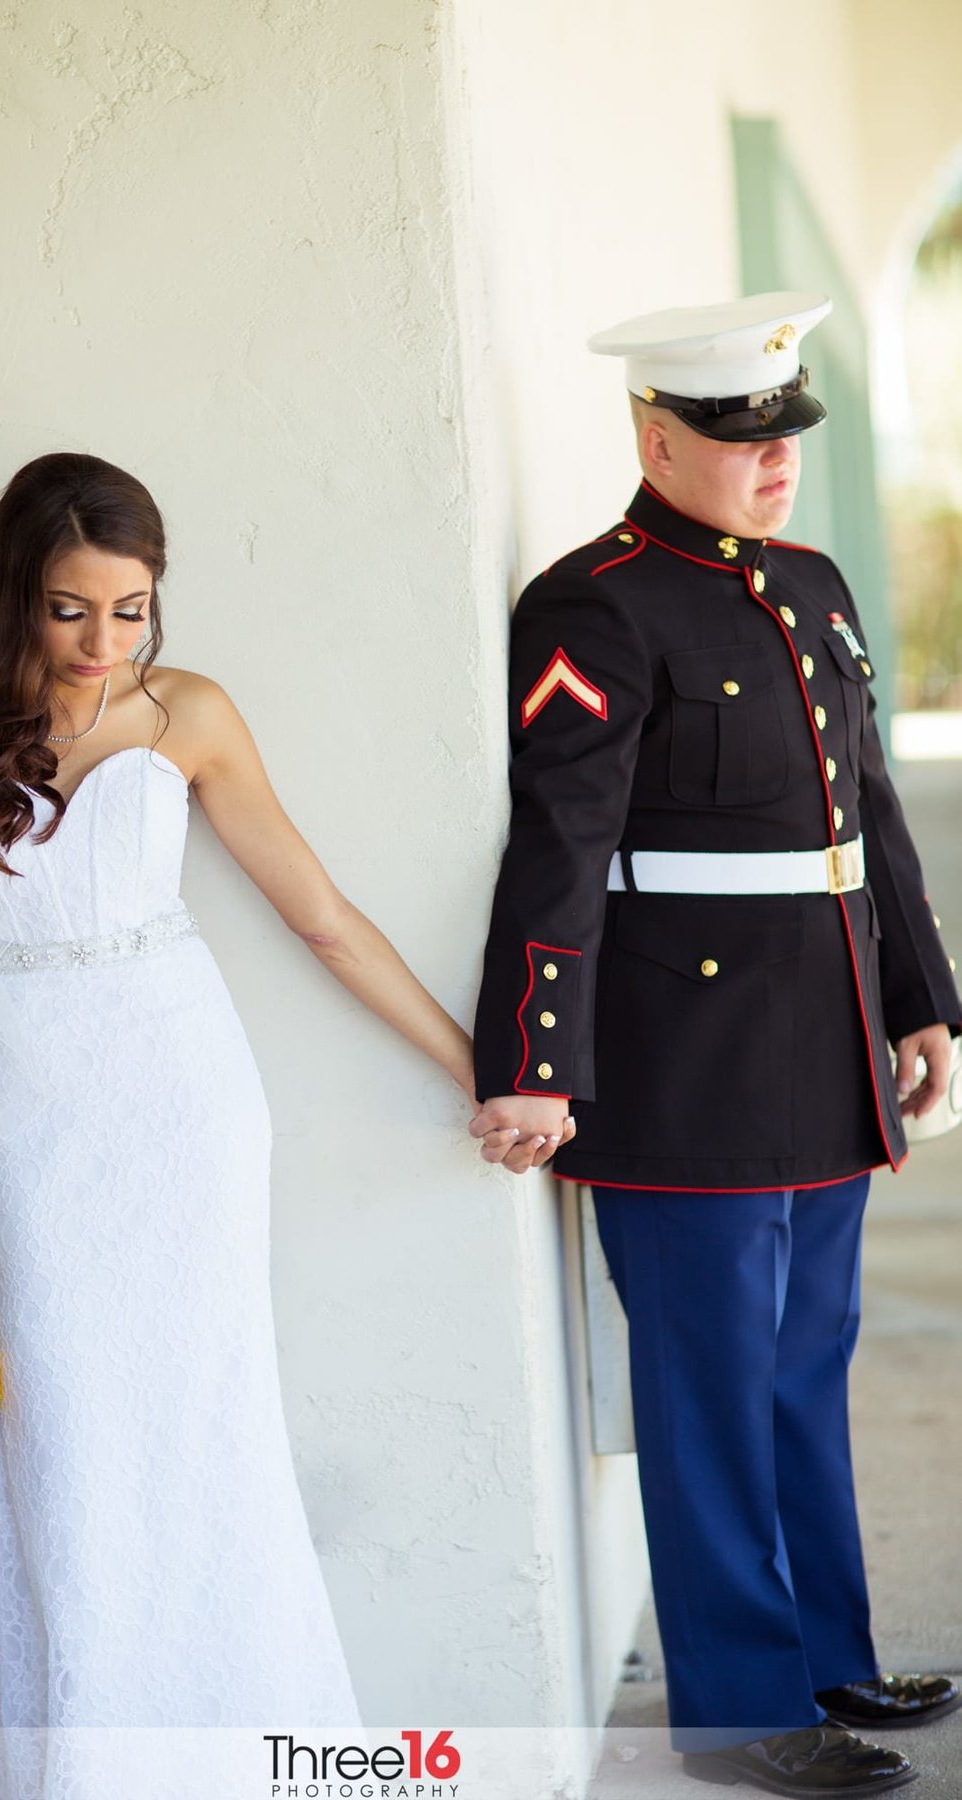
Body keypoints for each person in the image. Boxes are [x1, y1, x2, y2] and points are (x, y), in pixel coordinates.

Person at [0, 452, 475, 1800]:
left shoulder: (191, 714)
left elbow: (324, 917)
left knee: (208, 1421)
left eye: (131, 610)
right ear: (14, 593)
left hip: (184, 1105)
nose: (104, 645)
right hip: (31, 1126)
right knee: (66, 1444)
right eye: (71, 610)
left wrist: (473, 1066)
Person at [468, 294, 962, 1796]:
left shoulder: (811, 587)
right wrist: (534, 1057)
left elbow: (866, 816)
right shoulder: (594, 607)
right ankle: (740, 1714)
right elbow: (561, 842)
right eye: (741, 442)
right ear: (655, 438)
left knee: (809, 1365)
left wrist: (923, 1001)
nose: (775, 467)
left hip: (822, 1046)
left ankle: (822, 1654)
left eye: (786, 437)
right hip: (680, 1066)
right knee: (711, 1388)